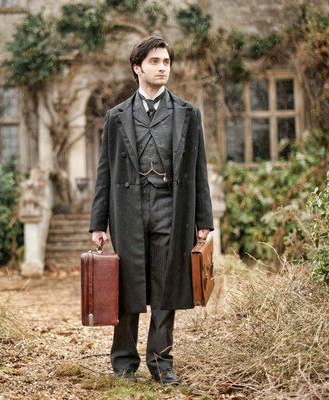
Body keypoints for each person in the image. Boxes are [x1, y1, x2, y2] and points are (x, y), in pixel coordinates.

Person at [89, 36, 214, 385]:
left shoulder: (188, 115)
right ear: (137, 67)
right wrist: (98, 221)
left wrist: (204, 220)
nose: (163, 68)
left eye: (167, 62)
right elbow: (105, 171)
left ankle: (162, 363)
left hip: (172, 209)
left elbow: (199, 169)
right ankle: (124, 363)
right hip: (127, 210)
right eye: (156, 62)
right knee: (126, 287)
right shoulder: (116, 118)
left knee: (166, 288)